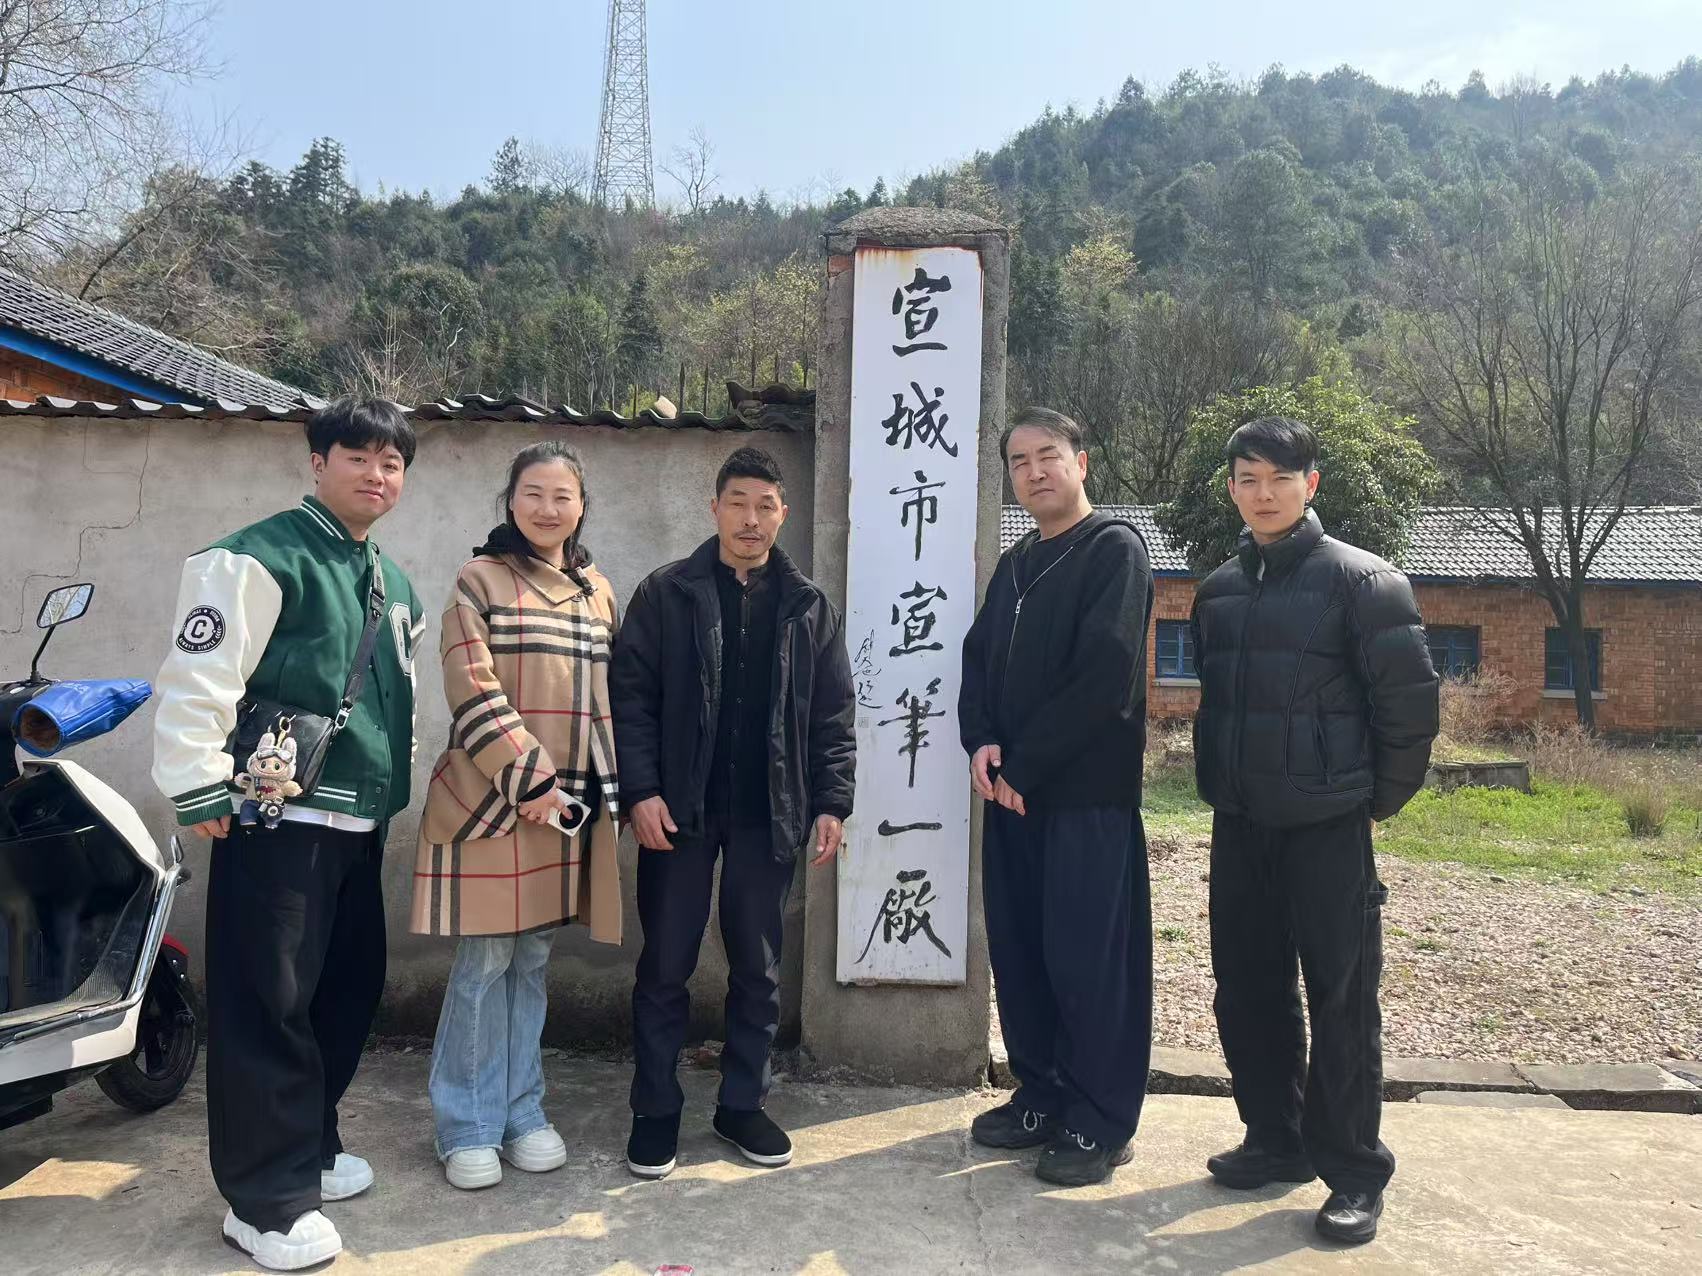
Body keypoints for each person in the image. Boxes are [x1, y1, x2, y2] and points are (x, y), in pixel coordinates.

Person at [151, 397, 424, 1271]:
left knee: (346, 991)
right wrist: (197, 783)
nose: (376, 475)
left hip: (357, 823)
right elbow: (199, 677)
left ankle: (310, 1144)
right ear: (318, 462)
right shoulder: (254, 558)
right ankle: (264, 1201)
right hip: (274, 820)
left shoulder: (391, 579)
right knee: (267, 1004)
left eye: (391, 463)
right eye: (358, 457)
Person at [1190, 416, 1438, 1245]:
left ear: (1311, 484)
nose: (1263, 494)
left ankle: (1355, 1171)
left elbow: (1409, 712)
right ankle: (1276, 1137)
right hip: (1241, 823)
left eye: (1280, 478)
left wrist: (1366, 803)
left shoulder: (1364, 583)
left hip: (1328, 826)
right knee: (1247, 986)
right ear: (1232, 488)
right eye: (1248, 478)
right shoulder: (1220, 590)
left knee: (1341, 999)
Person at [610, 445, 855, 1180]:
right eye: (738, 503)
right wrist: (640, 791)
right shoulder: (667, 594)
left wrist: (832, 801)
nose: (751, 519)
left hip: (768, 812)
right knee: (665, 963)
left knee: (758, 967)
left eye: (765, 506)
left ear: (784, 513)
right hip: (677, 811)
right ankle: (655, 1110)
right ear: (714, 508)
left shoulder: (808, 607)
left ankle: (742, 1103)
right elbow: (630, 700)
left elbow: (834, 714)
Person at [410, 442, 624, 1191]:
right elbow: (471, 687)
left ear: (582, 507)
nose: (547, 509)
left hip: (565, 811)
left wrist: (603, 790)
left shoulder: (599, 591)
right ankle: (465, 1125)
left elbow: (611, 698)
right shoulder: (479, 580)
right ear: (510, 502)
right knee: (484, 963)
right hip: (493, 802)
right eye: (533, 494)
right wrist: (530, 778)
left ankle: (521, 1111)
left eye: (563, 496)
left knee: (532, 962)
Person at [958, 407, 1155, 1187]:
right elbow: (978, 660)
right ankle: (1041, 1095)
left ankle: (1101, 1120)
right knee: (1022, 955)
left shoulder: (1114, 550)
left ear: (1082, 462)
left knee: (1087, 963)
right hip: (1013, 796)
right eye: (1019, 461)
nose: (1035, 472)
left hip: (1083, 800)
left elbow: (1104, 674)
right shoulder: (1016, 564)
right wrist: (981, 740)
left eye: (1048, 455)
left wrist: (1026, 766)